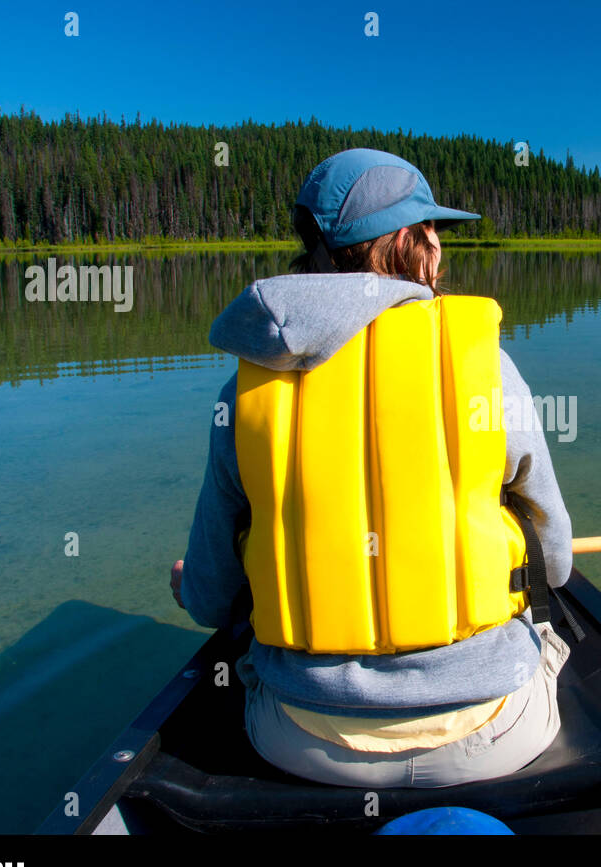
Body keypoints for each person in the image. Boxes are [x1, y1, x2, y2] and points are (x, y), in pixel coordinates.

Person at [169, 148, 573, 788]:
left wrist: (191, 585)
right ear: (415, 246)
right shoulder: (487, 369)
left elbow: (213, 600)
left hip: (300, 740)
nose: (440, 246)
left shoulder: (245, 389)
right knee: (550, 645)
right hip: (492, 734)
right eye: (431, 230)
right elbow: (556, 561)